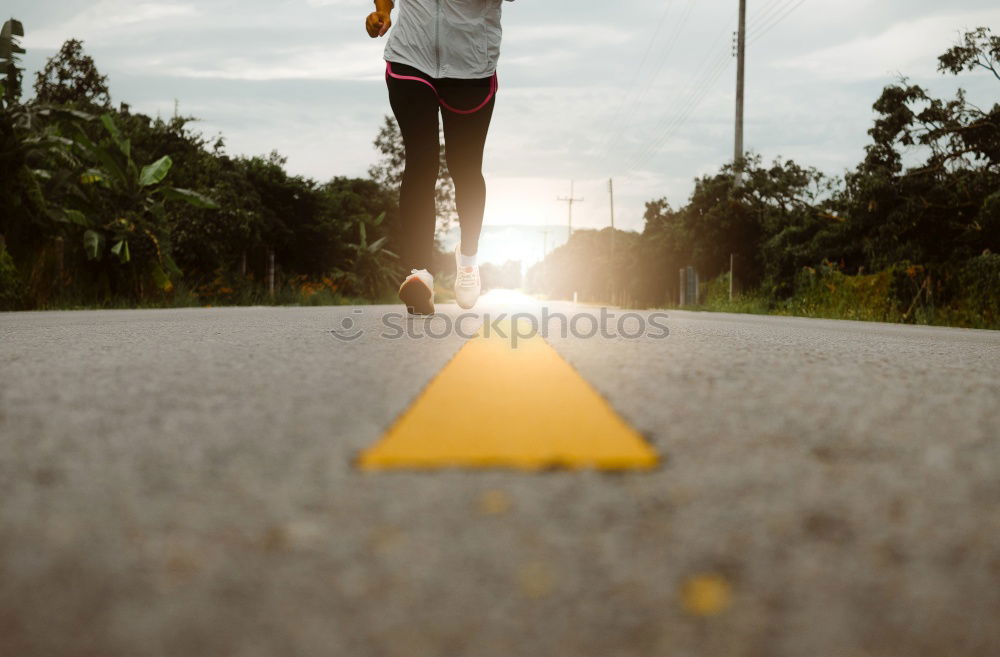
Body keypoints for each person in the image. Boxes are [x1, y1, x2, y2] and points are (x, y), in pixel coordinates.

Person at [365, 0, 514, 315]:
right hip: (410, 58)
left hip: (471, 69)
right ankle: (419, 273)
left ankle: (469, 260)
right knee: (421, 162)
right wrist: (384, 11)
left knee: (466, 169)